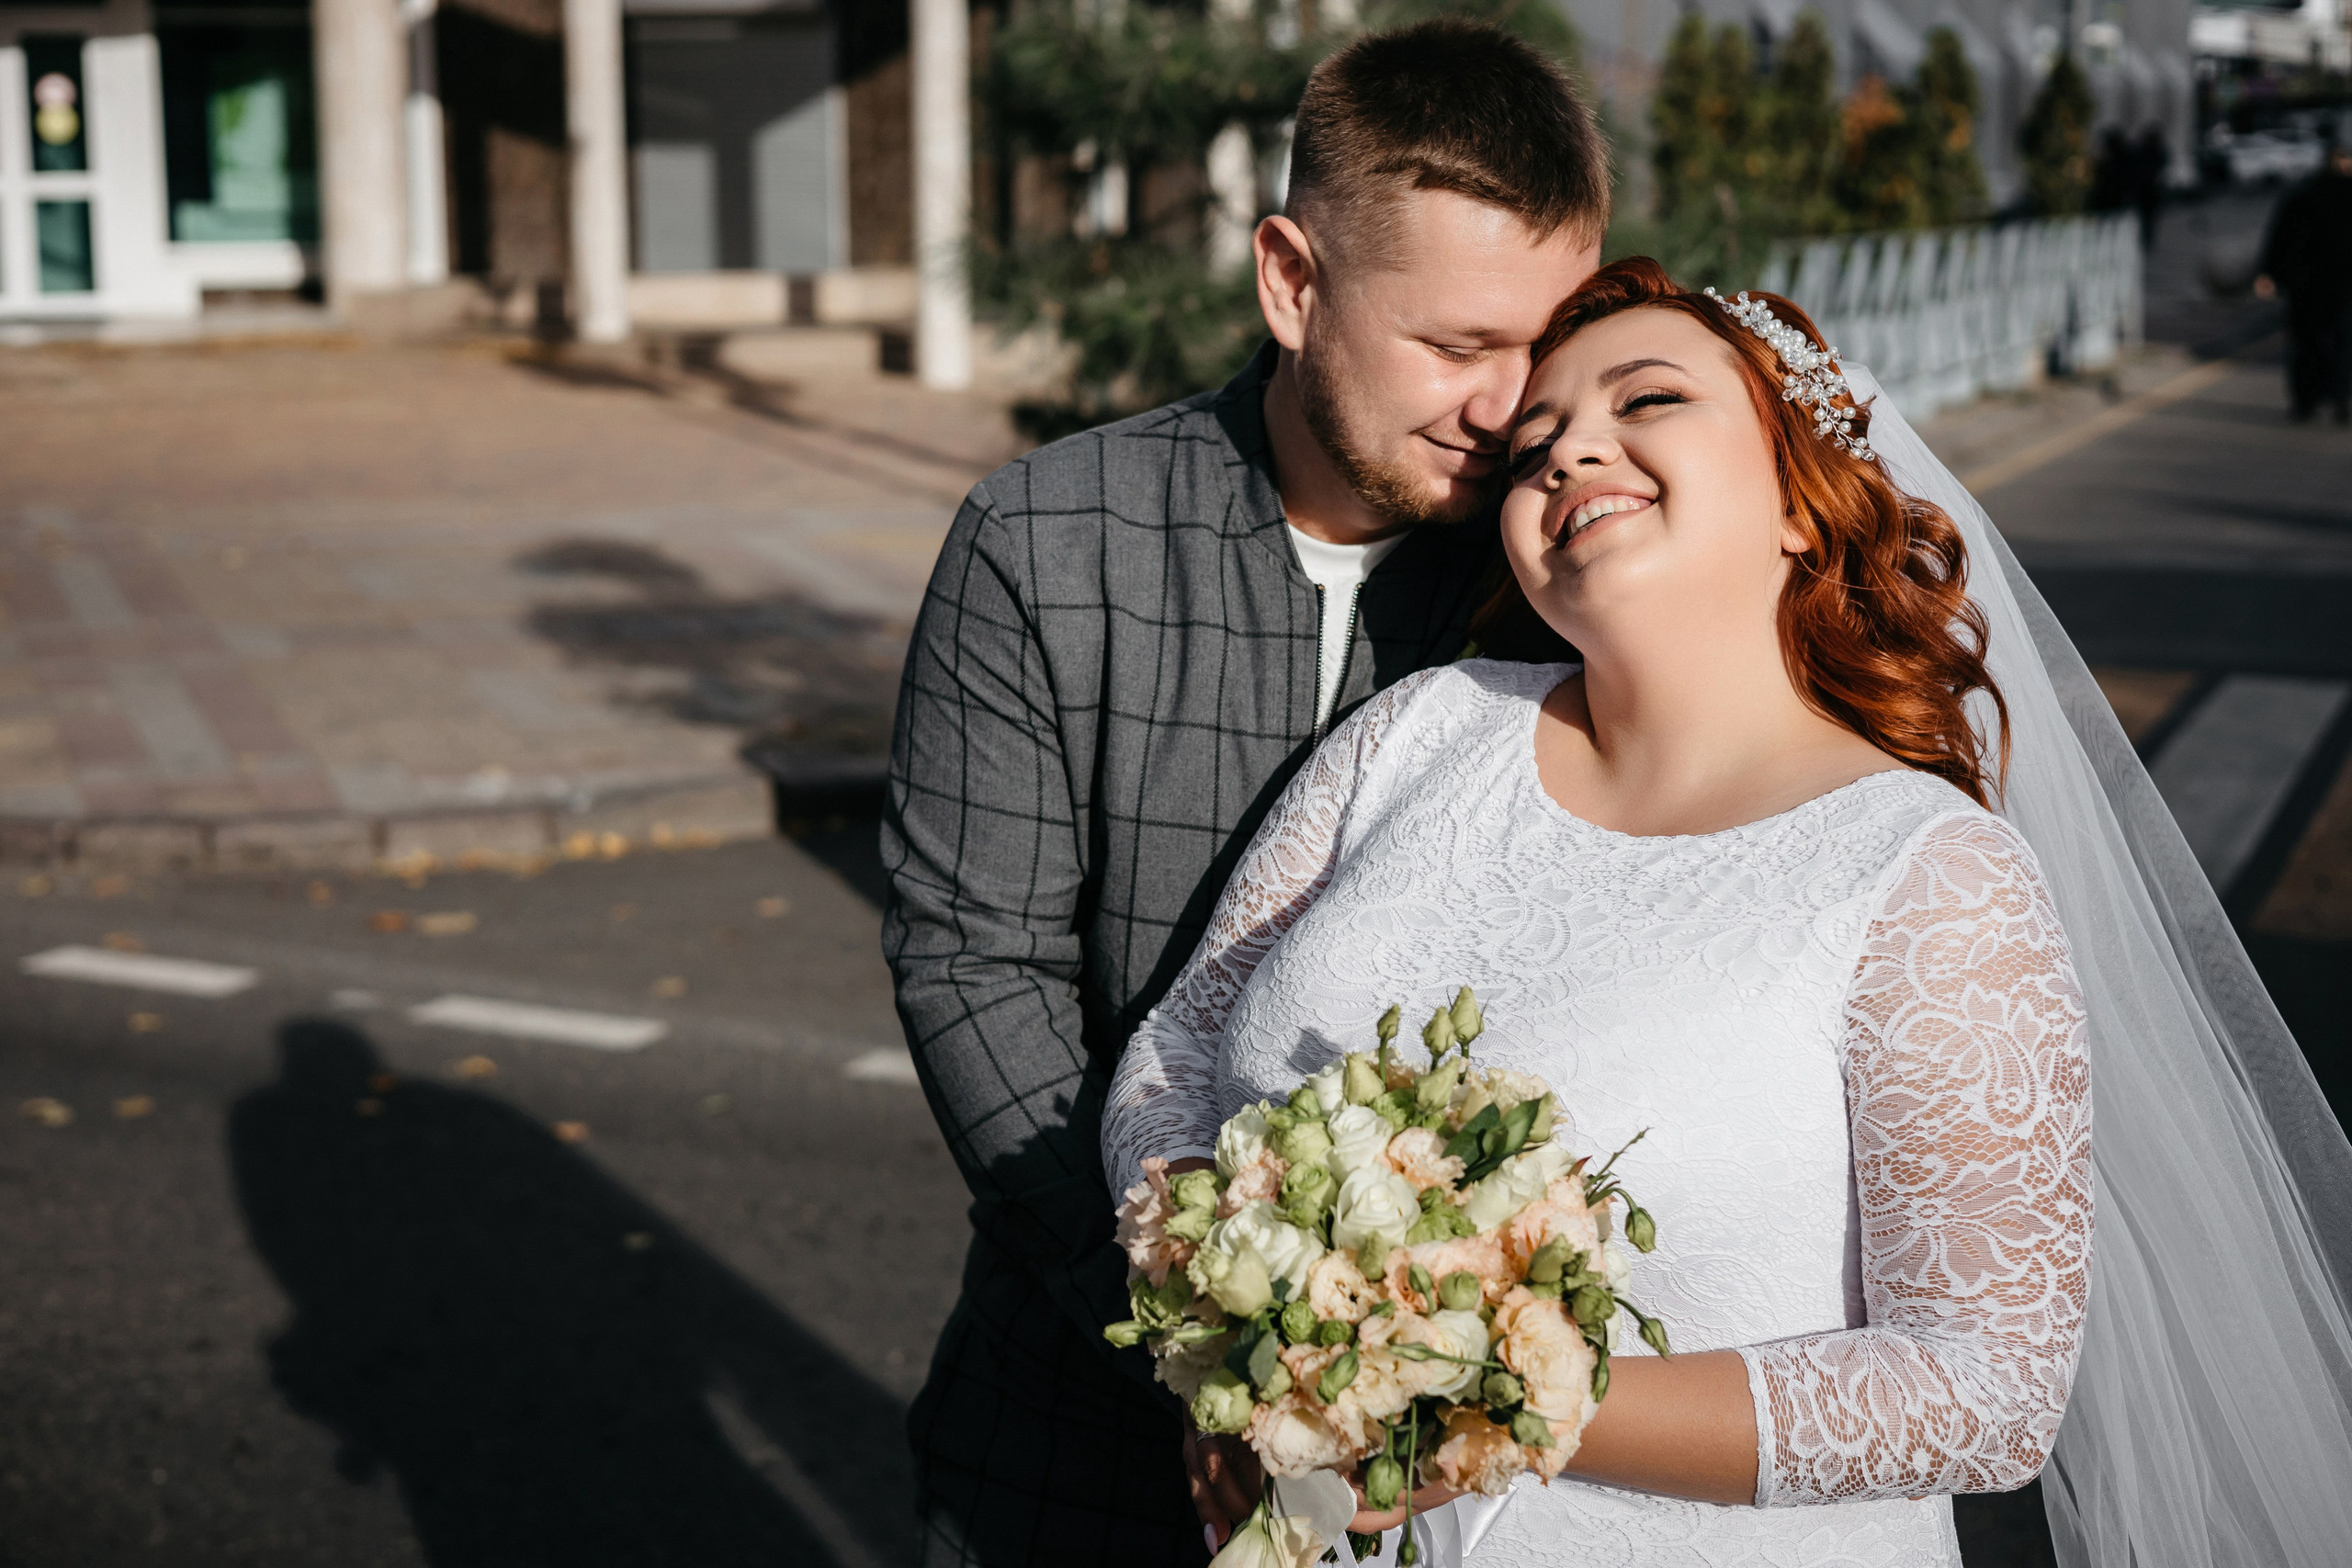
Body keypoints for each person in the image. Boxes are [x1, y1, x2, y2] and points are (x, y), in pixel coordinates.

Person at [1106, 259, 2352, 1566]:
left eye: (1647, 398)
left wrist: (1486, 1392)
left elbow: (1985, 1387)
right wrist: (1236, 1336)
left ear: (1801, 503)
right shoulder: (1415, 734)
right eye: (1532, 442)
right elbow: (1177, 1049)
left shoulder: (1927, 873)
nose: (1568, 445)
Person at [880, 19, 1610, 1565]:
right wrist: (1205, 1339)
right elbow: (972, 969)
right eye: (1454, 345)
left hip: (1461, 1470)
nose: (1508, 407)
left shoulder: (1569, 584)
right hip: (1068, 1422)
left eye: (1540, 347)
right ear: (1291, 280)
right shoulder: (1045, 541)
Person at [2256, 138, 2352, 423]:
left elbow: (2280, 237)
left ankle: (2309, 401)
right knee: (2339, 343)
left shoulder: (2302, 194)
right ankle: (2335, 399)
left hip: (2307, 286)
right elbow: (2282, 236)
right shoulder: (2314, 195)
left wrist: (2269, 273)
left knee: (2308, 343)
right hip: (2338, 285)